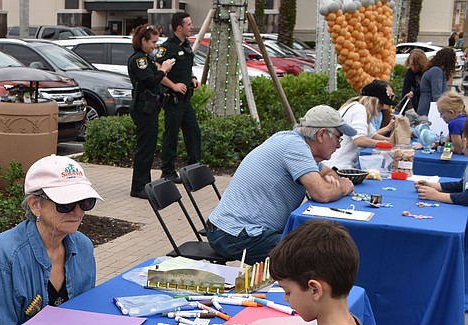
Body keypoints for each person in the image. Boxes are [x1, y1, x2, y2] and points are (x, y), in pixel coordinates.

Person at [0, 155, 101, 325]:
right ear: (35, 205)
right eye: (65, 203)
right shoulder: (3, 258)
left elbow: (83, 312)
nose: (78, 212)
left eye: (85, 202)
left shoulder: (82, 246)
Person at [205, 105, 356, 263]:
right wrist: (343, 186)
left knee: (317, 239)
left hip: (234, 230)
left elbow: (327, 172)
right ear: (322, 134)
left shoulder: (293, 141)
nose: (339, 145)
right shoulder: (295, 147)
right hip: (234, 235)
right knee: (316, 253)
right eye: (338, 138)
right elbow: (322, 194)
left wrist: (330, 179)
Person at [128, 23, 176, 199]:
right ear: (143, 40)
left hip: (149, 107)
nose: (155, 45)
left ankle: (144, 183)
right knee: (145, 148)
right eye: (153, 42)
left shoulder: (146, 58)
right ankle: (139, 186)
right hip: (143, 108)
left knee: (148, 147)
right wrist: (163, 70)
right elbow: (150, 82)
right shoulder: (139, 60)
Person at [157, 11, 202, 182]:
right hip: (173, 100)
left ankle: (193, 169)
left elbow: (186, 66)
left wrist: (192, 78)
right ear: (179, 27)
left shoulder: (186, 45)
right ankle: (167, 171)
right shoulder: (168, 47)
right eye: (188, 24)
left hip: (186, 100)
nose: (191, 27)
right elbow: (158, 69)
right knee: (171, 136)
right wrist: (173, 85)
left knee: (194, 133)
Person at [323, 79, 395, 170]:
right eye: (381, 103)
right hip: (338, 166)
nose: (381, 108)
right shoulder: (359, 110)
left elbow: (372, 135)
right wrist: (386, 144)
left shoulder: (356, 107)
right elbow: (359, 140)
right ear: (373, 101)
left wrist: (392, 141)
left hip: (334, 164)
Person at [416, 47, 457, 117]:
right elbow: (437, 95)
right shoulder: (436, 71)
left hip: (424, 106)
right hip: (429, 110)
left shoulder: (433, 70)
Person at [433, 91, 468, 155]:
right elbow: (450, 136)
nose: (440, 116)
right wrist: (440, 143)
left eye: (441, 113)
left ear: (451, 112)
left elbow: (459, 150)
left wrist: (441, 146)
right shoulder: (464, 117)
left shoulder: (453, 123)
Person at [401, 48, 428, 113]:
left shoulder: (427, 71)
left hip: (426, 98)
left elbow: (427, 87)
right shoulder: (410, 72)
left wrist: (414, 92)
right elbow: (405, 90)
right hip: (416, 101)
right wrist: (401, 112)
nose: (413, 67)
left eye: (415, 65)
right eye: (411, 65)